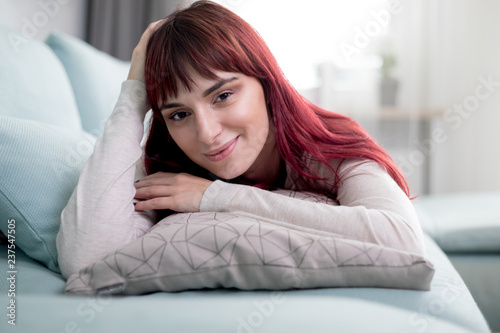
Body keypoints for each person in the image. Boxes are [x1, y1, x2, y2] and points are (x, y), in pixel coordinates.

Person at [56, 0, 425, 279]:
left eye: (223, 96)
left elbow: (402, 240)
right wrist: (133, 95)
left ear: (265, 83)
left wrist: (213, 196)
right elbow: (84, 258)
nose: (207, 133)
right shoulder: (166, 158)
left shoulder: (330, 147)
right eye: (179, 114)